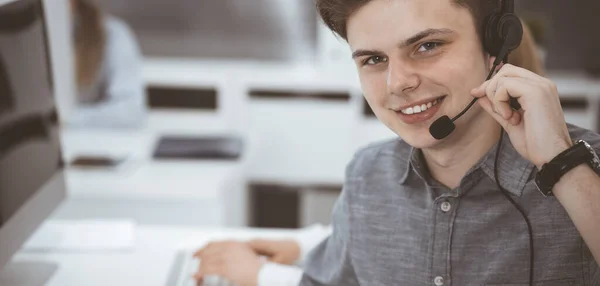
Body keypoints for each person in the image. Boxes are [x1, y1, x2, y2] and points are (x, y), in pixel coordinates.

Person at [190, 8, 576, 285]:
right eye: (374, 59)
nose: (396, 83)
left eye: (427, 46)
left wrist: (562, 162)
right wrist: (306, 246)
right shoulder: (369, 174)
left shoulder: (583, 171)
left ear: (494, 48)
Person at [67, 0, 145, 128]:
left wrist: (69, 119)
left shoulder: (113, 33)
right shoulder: (30, 40)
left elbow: (129, 112)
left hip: (86, 140)